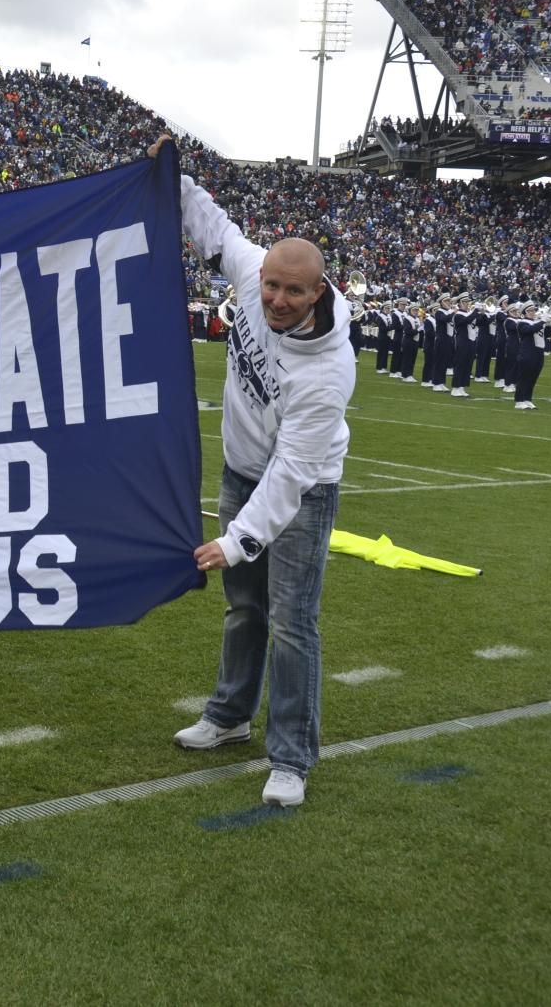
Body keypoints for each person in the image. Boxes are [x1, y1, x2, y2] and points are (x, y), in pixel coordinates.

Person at [153, 136, 354, 809]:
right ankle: (230, 715)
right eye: (271, 284)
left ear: (318, 291)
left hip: (303, 491)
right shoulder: (250, 274)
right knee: (244, 608)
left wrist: (237, 539)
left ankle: (291, 757)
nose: (277, 299)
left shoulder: (327, 372)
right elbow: (214, 229)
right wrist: (172, 176)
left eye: (294, 290)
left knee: (293, 621)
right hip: (241, 473)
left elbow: (293, 472)